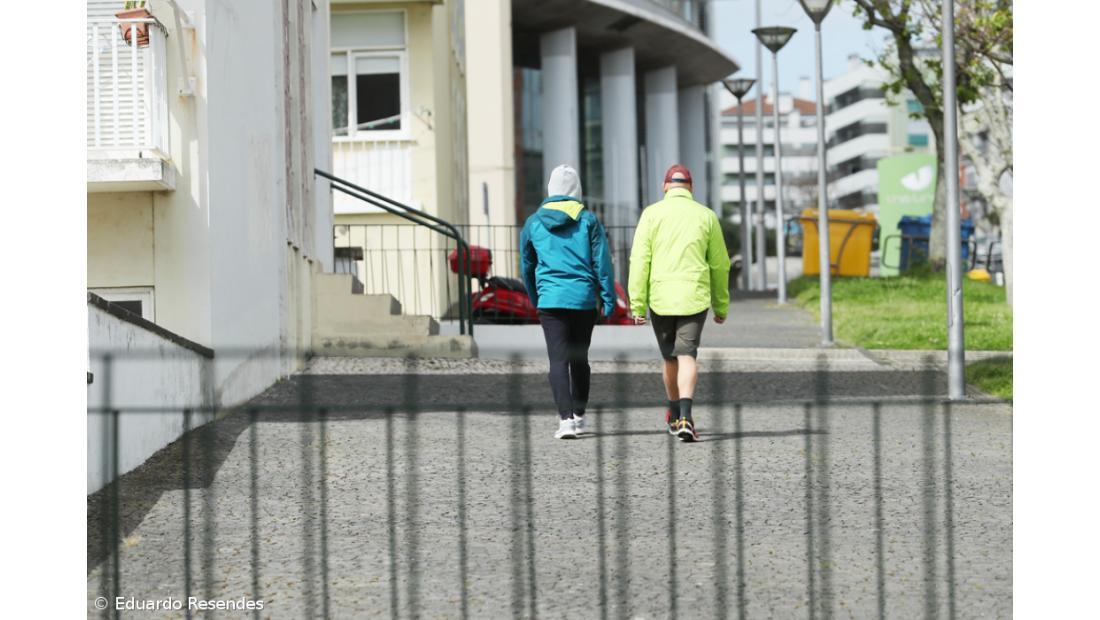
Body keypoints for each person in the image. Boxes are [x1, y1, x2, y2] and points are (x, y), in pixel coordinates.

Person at [628, 164, 730, 442]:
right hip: (694, 297)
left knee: (670, 357)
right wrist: (721, 305)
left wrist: (637, 305)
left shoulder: (651, 215)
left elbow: (639, 262)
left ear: (665, 187)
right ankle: (685, 416)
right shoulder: (706, 216)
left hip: (660, 297)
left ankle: (674, 414)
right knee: (687, 355)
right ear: (691, 188)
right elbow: (720, 265)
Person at [521, 165, 616, 439]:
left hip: (550, 301)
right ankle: (578, 413)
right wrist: (608, 300)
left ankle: (565, 421)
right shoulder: (588, 220)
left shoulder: (533, 223)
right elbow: (602, 264)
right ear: (577, 190)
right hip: (584, 301)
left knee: (557, 361)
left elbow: (527, 266)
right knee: (579, 359)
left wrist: (536, 298)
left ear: (550, 189)